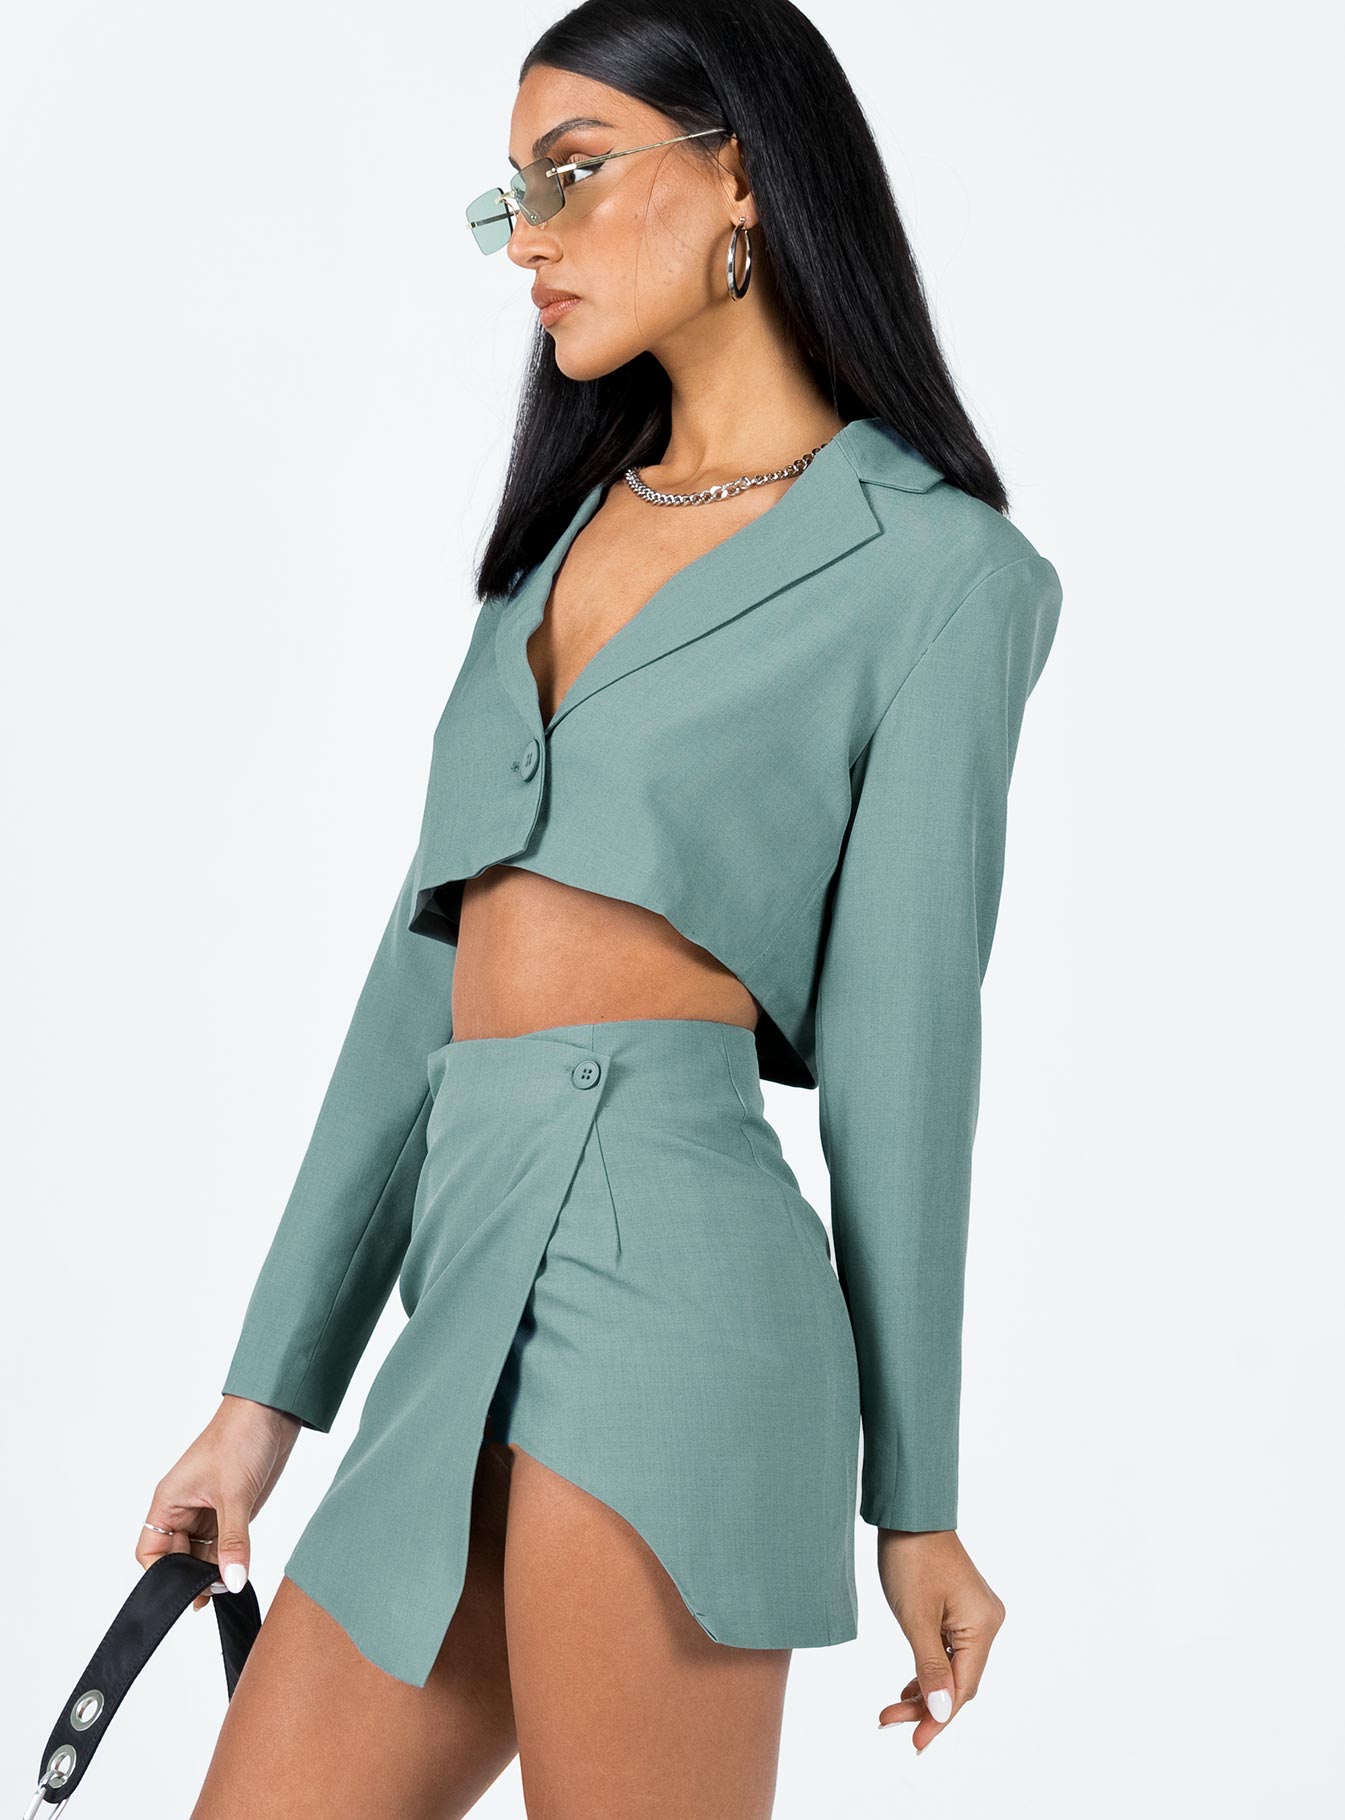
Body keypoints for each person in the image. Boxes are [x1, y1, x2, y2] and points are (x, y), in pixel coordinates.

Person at [144, 6, 1062, 1816]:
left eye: (569, 177)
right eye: (512, 200)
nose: (530, 242)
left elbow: (906, 1054)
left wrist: (918, 1504)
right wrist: (260, 1408)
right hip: (460, 1282)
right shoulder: (551, 548)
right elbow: (412, 1001)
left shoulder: (940, 573)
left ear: (740, 173)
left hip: (676, 1284)